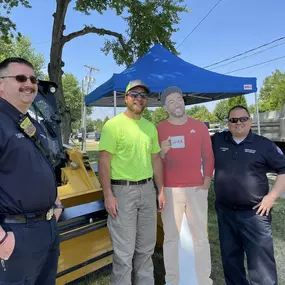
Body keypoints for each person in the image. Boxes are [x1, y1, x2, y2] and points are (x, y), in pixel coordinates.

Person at [0, 57, 64, 284]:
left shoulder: (31, 124)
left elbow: (44, 163)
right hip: (15, 232)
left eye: (33, 79)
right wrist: (1, 239)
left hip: (46, 228)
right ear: (1, 84)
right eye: (20, 78)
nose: (29, 83)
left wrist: (55, 202)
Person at [98, 79, 166, 285]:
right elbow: (104, 161)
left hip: (147, 190)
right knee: (124, 254)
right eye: (134, 95)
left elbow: (156, 160)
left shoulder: (150, 128)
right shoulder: (113, 125)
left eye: (143, 96)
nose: (139, 99)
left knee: (146, 250)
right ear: (126, 98)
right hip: (122, 192)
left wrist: (160, 190)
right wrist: (108, 194)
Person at [212, 105, 285, 285]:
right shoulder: (217, 141)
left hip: (255, 214)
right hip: (225, 213)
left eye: (243, 119)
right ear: (228, 123)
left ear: (250, 121)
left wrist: (271, 197)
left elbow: (283, 170)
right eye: (233, 120)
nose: (238, 123)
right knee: (230, 261)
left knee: (261, 266)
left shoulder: (264, 145)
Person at [157, 86, 214, 285]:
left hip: (197, 188)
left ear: (183, 100)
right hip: (171, 190)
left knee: (201, 237)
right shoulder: (159, 129)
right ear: (165, 107)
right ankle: (172, 280)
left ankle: (204, 280)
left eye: (178, 99)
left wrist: (207, 179)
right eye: (170, 101)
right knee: (171, 237)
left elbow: (208, 155)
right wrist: (161, 153)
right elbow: (154, 163)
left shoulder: (199, 126)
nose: (176, 104)